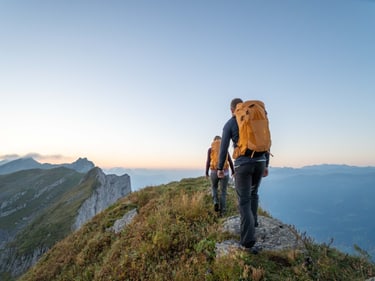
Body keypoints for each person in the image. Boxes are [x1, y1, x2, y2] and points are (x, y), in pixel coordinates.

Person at [217, 98, 270, 253]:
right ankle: (253, 224)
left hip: (243, 164)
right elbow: (266, 139)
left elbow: (223, 148)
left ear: (232, 109)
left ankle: (247, 242)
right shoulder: (255, 118)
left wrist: (220, 168)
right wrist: (266, 164)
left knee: (244, 201)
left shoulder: (230, 123)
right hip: (260, 161)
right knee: (254, 193)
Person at [205, 135, 235, 216]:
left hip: (214, 172)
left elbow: (208, 161)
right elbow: (230, 161)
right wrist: (233, 171)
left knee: (214, 187)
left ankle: (215, 202)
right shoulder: (224, 149)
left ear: (214, 141)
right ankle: (223, 212)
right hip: (224, 172)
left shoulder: (211, 149)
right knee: (223, 192)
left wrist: (206, 172)